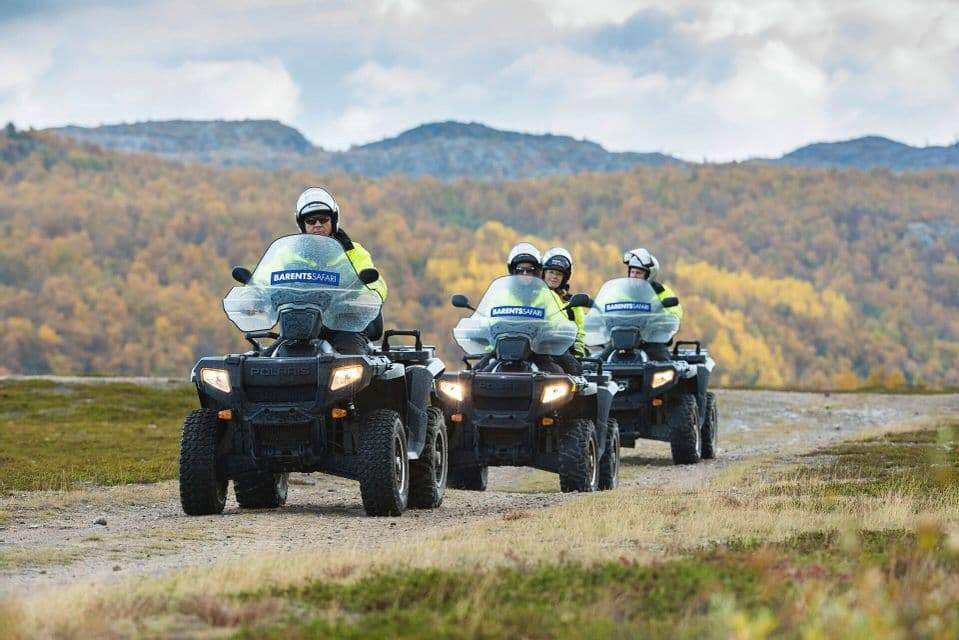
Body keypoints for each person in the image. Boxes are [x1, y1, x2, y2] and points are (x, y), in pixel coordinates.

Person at [294, 187, 388, 354]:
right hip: (299, 327)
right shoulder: (289, 254)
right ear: (303, 224)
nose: (317, 225)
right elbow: (267, 277)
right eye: (310, 221)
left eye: (323, 219)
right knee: (263, 363)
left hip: (344, 325)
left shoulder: (354, 252)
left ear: (333, 221)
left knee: (352, 361)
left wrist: (370, 294)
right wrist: (253, 292)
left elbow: (376, 280)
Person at [623, 247, 682, 361]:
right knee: (597, 363)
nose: (634, 276)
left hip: (652, 340)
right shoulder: (621, 291)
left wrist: (663, 319)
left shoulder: (663, 292)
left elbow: (674, 312)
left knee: (664, 366)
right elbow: (606, 306)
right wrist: (597, 316)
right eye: (632, 272)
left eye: (638, 273)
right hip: (622, 341)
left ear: (650, 275)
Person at [541, 247, 586, 374]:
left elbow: (579, 333)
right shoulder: (532, 296)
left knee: (575, 371)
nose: (554, 277)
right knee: (481, 368)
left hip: (559, 350)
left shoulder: (572, 303)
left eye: (559, 274)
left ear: (564, 278)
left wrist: (577, 353)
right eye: (551, 272)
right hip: (531, 347)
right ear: (544, 273)